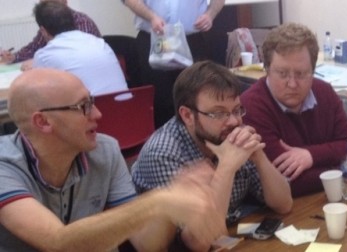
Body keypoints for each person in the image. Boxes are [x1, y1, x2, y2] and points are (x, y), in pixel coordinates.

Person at [0, 68, 250, 251]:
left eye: (93, 101)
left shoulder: (105, 150)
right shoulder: (5, 165)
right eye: (83, 107)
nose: (98, 113)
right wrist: (156, 202)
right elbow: (57, 242)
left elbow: (146, 244)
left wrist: (170, 202)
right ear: (43, 122)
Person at [131, 60, 292, 223]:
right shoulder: (162, 154)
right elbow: (199, 240)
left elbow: (284, 205)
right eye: (218, 113)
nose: (234, 122)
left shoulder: (232, 134)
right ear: (187, 115)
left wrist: (259, 158)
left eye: (237, 110)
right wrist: (227, 167)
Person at [240, 23, 347, 197]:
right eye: (282, 73)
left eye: (301, 74)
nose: (292, 84)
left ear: (313, 71)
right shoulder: (251, 106)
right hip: (281, 211)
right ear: (267, 70)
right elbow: (287, 182)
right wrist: (339, 167)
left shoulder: (324, 92)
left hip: (327, 198)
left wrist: (311, 156)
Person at [122, 0, 225, 128]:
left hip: (192, 40)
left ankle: (197, 145)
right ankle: (163, 145)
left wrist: (210, 14)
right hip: (154, 38)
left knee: (196, 98)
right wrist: (152, 16)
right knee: (160, 102)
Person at [30, 1, 127, 96]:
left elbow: (38, 92)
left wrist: (34, 64)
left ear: (43, 30)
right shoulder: (100, 43)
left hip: (92, 110)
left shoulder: (43, 55)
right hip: (128, 107)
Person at [0, 0, 101, 71]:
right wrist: (14, 57)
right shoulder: (48, 22)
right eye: (45, 6)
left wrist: (38, 62)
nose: (50, 10)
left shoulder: (82, 21)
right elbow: (34, 47)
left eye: (53, 5)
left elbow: (78, 55)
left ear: (65, 2)